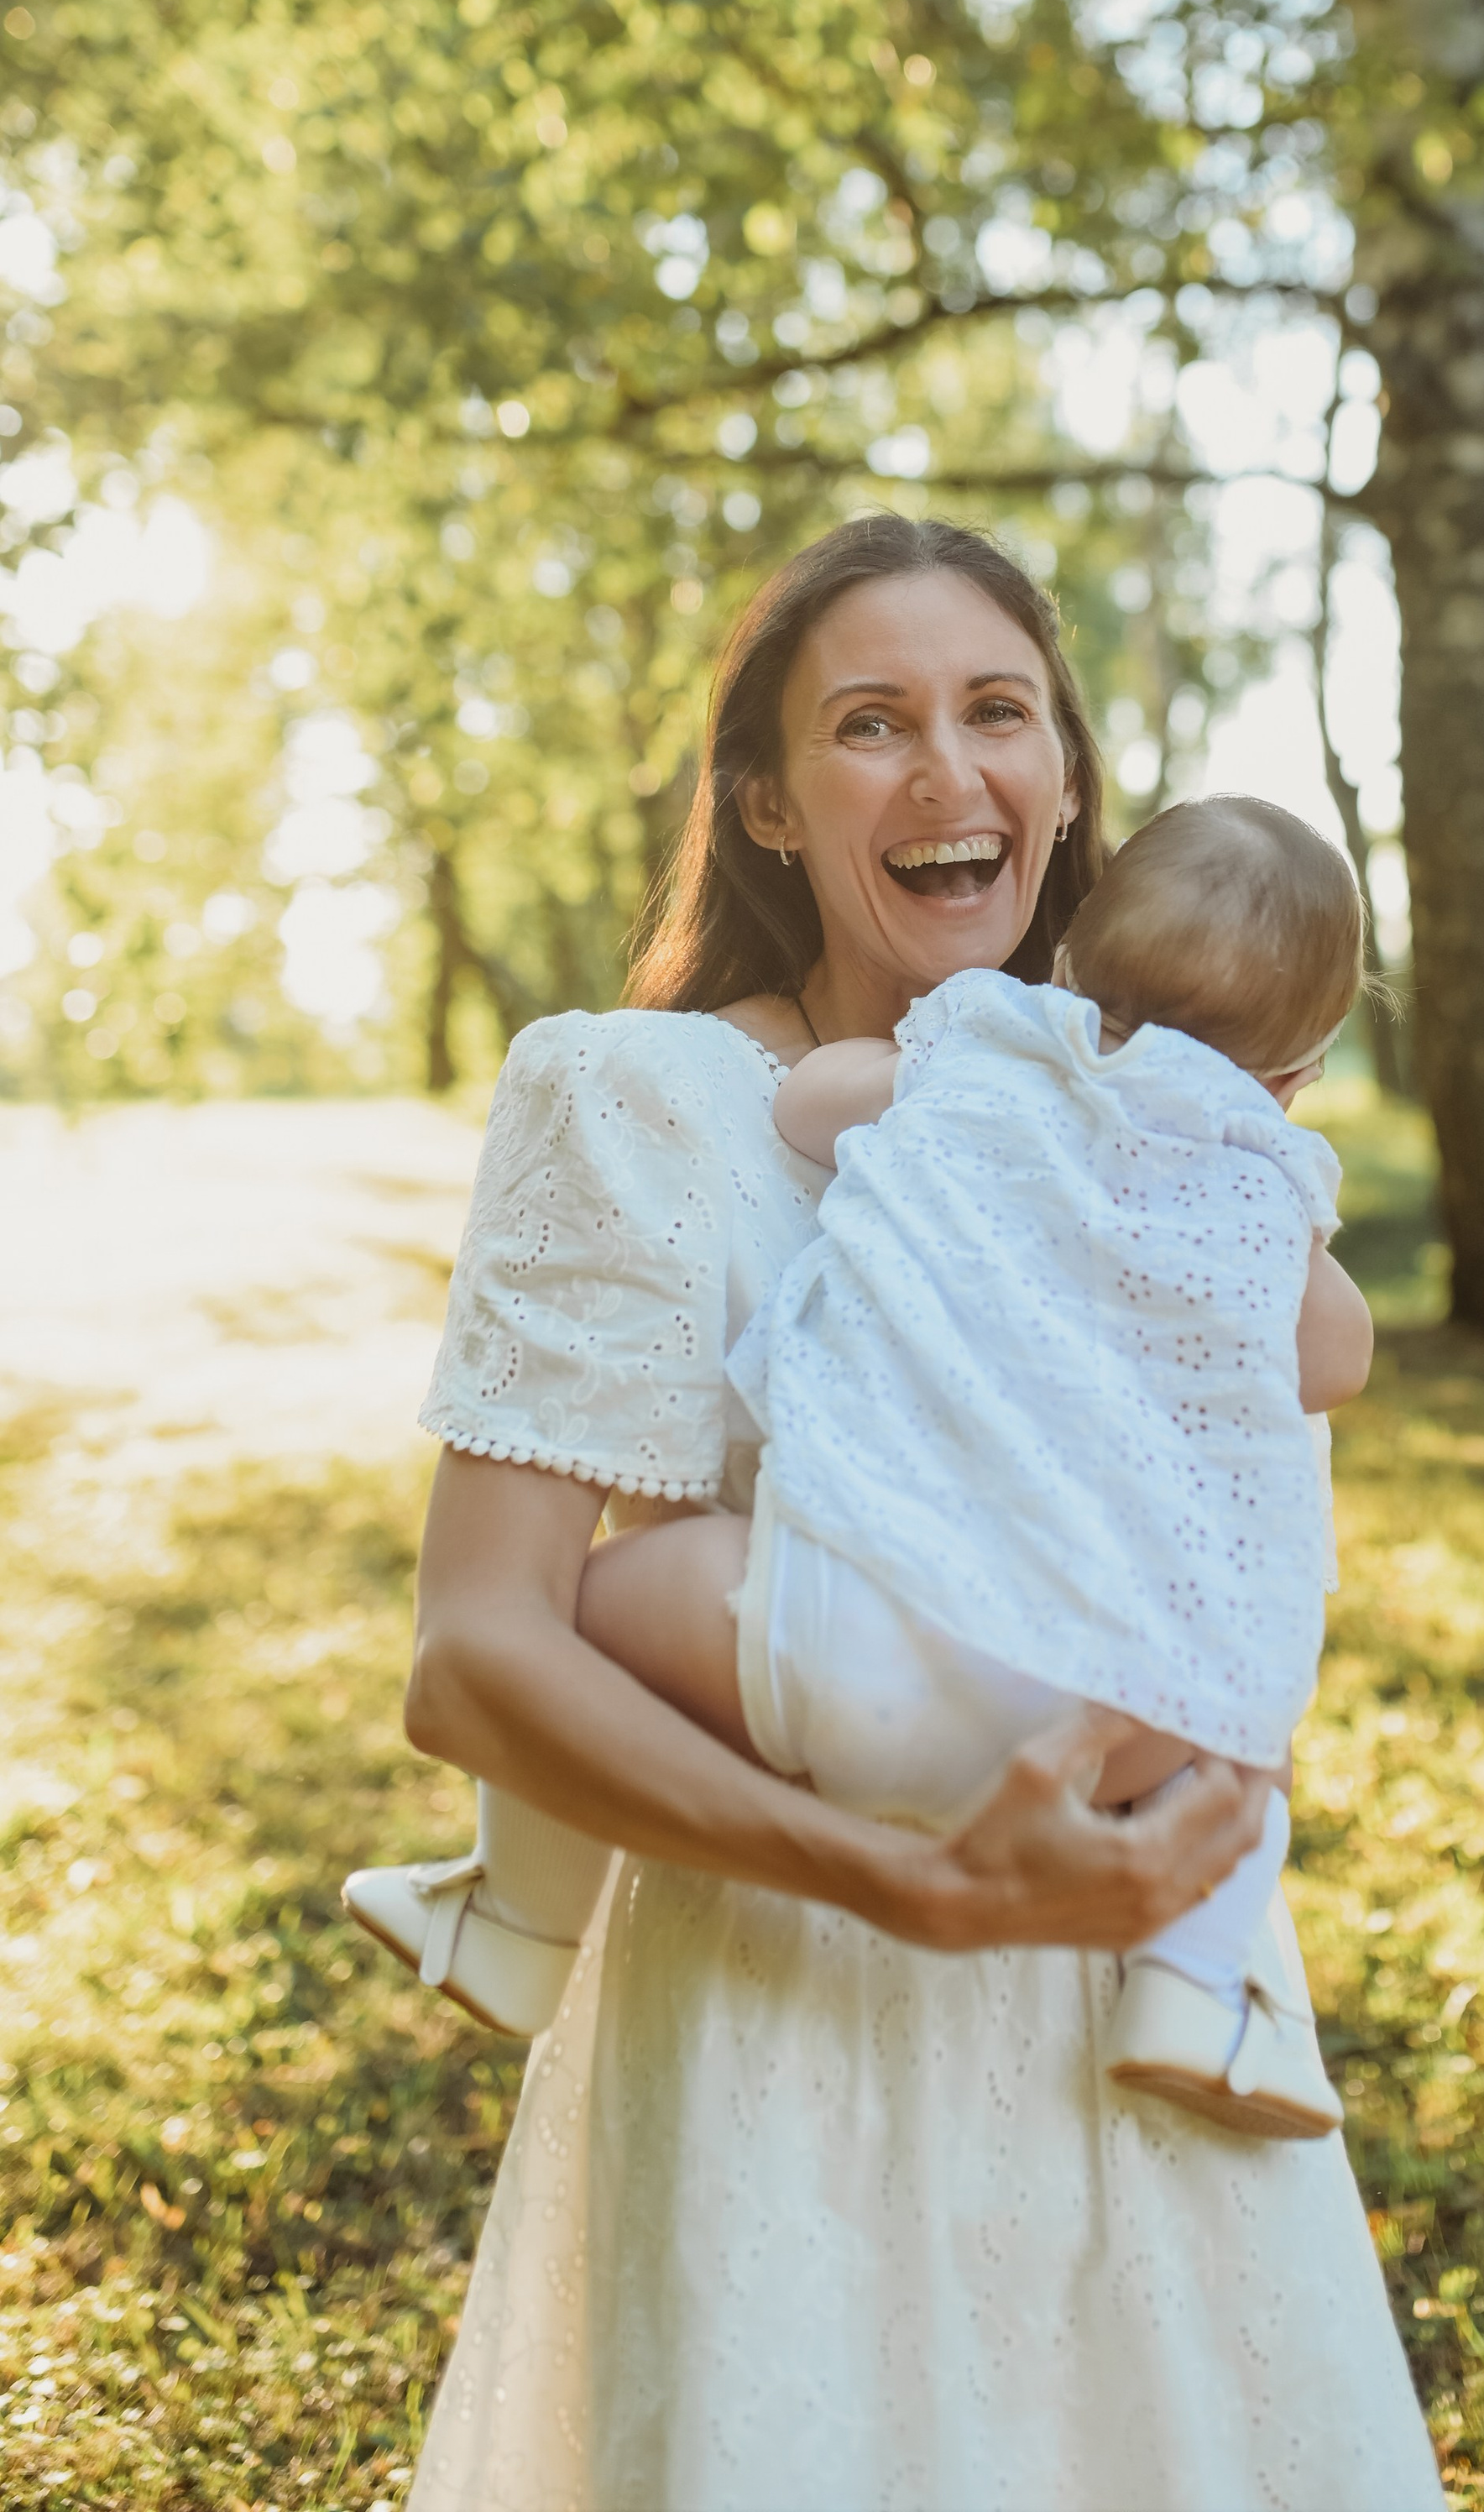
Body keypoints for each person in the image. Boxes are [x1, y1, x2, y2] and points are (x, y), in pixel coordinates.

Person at [393, 515, 1445, 2512]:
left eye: (998, 712)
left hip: (1137, 2011)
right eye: (869, 724)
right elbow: (475, 1656)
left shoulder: (1181, 1115)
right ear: (770, 803)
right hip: (788, 2019)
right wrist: (912, 1887)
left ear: (1066, 778)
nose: (947, 769)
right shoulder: (643, 1100)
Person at [350, 797, 1376, 2138]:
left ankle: (518, 1920)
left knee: (589, 1613)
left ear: (1069, 965)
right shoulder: (1262, 1185)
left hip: (845, 1636)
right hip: (1109, 1727)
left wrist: (957, 1077)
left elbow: (808, 1104)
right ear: (1297, 1077)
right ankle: (1196, 1992)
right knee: (1243, 1694)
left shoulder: (989, 1051)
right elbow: (1336, 1355)